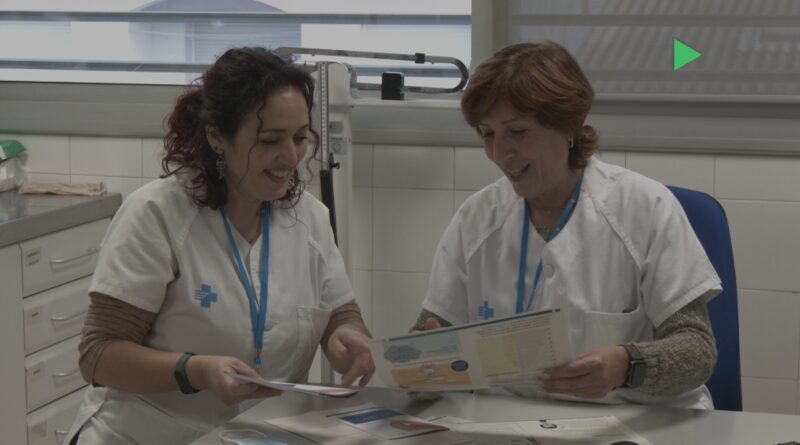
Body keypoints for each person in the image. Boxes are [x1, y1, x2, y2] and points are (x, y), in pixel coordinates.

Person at [64, 47, 374, 444]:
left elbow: (339, 314)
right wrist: (195, 371)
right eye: (270, 140)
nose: (290, 156)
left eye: (299, 137)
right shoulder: (157, 214)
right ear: (217, 137)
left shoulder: (309, 219)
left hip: (256, 436)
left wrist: (346, 338)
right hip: (144, 435)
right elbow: (98, 355)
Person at [413, 42, 720, 409]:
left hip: (635, 419)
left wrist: (627, 365)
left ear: (568, 126)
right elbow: (431, 335)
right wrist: (422, 366)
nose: (499, 154)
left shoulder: (645, 208)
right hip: (508, 421)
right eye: (487, 134)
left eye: (518, 131)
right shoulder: (477, 218)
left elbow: (697, 350)